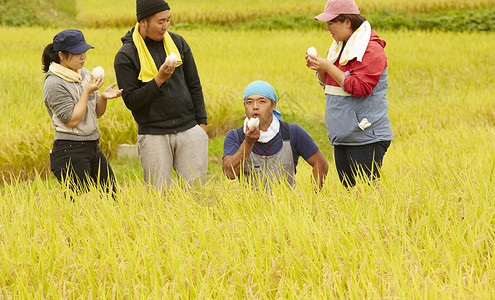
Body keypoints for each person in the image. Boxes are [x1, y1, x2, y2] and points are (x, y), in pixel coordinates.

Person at [114, 0, 208, 192]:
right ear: (143, 22)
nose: (165, 26)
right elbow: (131, 100)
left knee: (197, 193)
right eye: (160, 21)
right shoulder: (126, 55)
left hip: (189, 129)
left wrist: (201, 125)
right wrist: (159, 79)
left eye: (168, 20)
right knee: (158, 195)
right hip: (153, 134)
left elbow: (194, 85)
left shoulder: (178, 43)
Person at [306, 0, 393, 188]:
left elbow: (359, 87)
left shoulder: (371, 50)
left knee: (368, 196)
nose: (328, 29)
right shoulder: (338, 48)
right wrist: (320, 68)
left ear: (347, 22)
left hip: (366, 136)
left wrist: (327, 66)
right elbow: (330, 85)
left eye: (331, 23)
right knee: (351, 196)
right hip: (343, 135)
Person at [42, 29, 122, 196]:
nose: (83, 56)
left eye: (84, 51)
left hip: (92, 146)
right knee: (79, 206)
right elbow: (72, 120)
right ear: (62, 55)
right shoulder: (54, 83)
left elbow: (97, 112)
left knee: (112, 196)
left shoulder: (84, 74)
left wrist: (103, 98)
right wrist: (86, 92)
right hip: (69, 150)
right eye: (78, 52)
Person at [223, 80, 328, 189]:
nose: (255, 107)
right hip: (250, 205)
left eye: (262, 101)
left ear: (273, 105)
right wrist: (248, 143)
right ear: (244, 105)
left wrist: (311, 198)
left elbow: (321, 164)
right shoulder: (235, 136)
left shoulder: (292, 132)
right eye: (249, 102)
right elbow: (229, 173)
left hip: (286, 205)